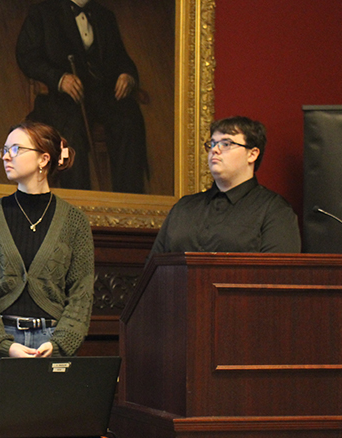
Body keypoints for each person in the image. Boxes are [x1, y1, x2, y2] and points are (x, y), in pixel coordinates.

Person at [0, 121, 95, 426]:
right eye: (4, 150)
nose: (6, 156)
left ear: (43, 159)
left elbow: (81, 294)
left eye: (16, 149)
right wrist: (2, 344)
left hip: (51, 350)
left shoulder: (74, 222)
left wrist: (61, 343)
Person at [16, 0, 147, 193]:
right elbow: (26, 56)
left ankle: (128, 200)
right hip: (58, 98)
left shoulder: (104, 16)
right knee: (71, 132)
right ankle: (78, 203)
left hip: (101, 97)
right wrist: (59, 79)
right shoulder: (43, 12)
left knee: (129, 120)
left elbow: (121, 57)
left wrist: (127, 75)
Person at [149, 116, 301, 256]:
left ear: (252, 154)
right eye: (213, 143)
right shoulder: (183, 207)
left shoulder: (275, 210)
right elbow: (153, 269)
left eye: (226, 144)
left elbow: (278, 275)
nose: (215, 150)